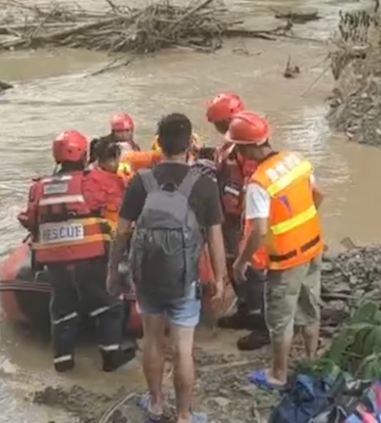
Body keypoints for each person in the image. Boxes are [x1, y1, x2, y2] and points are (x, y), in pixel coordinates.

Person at [106, 113, 227, 423]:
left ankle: (157, 404)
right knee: (183, 349)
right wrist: (220, 280)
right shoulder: (204, 184)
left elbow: (121, 231)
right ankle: (185, 416)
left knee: (152, 339)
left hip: (146, 277)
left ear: (158, 142)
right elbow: (215, 238)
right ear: (189, 145)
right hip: (184, 279)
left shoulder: (141, 181)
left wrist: (112, 270)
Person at [17, 130, 135, 373]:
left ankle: (63, 360)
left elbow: (29, 219)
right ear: (83, 155)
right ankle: (111, 355)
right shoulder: (92, 181)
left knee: (62, 307)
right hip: (89, 257)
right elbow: (117, 206)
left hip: (54, 261)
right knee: (108, 303)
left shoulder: (39, 187)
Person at [227, 111, 325, 389]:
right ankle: (310, 361)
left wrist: (241, 263)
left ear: (247, 148)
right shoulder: (297, 160)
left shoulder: (259, 183)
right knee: (310, 307)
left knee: (280, 319)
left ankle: (278, 375)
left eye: (239, 147)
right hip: (312, 248)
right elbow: (319, 195)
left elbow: (259, 232)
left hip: (286, 260)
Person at [204, 94, 270, 350]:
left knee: (252, 267)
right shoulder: (233, 144)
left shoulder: (246, 146)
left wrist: (237, 215)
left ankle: (263, 325)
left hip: (243, 216)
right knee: (234, 263)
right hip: (230, 215)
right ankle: (247, 309)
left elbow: (252, 183)